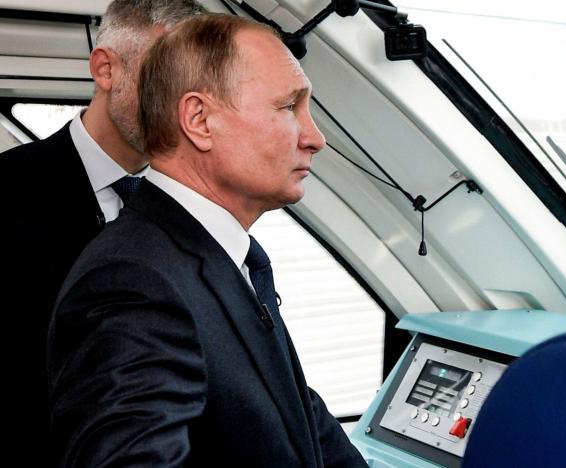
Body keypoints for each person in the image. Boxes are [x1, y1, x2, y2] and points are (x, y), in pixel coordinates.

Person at [47, 13, 367, 467]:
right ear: (199, 120)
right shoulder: (134, 282)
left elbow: (296, 414)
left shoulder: (216, 256)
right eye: (288, 107)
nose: (316, 138)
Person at [0, 1, 205, 463]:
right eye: (163, 76)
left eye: (196, 85)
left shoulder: (197, 207)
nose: (183, 105)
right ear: (105, 69)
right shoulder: (8, 191)